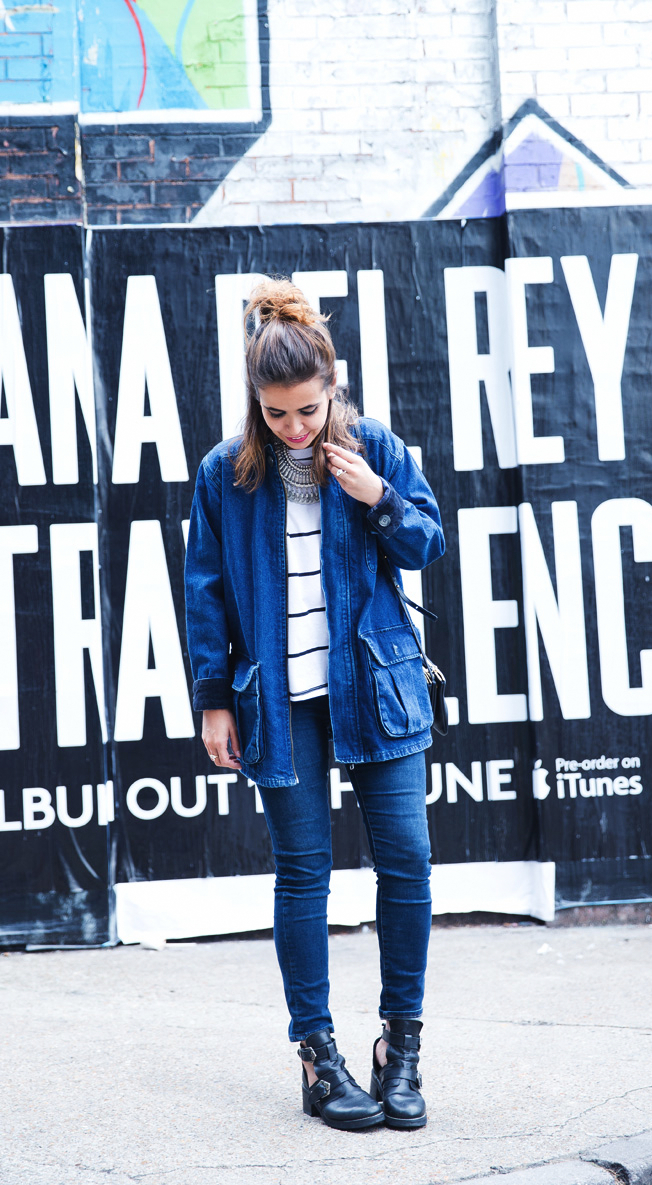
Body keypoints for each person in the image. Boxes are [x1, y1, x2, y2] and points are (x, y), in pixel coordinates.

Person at [184, 277, 445, 1132]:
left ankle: (398, 1049)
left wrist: (377, 495)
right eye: (276, 411)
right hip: (280, 701)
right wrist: (214, 698)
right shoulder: (227, 474)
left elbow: (427, 544)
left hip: (373, 685)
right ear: (256, 402)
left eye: (306, 408)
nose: (294, 427)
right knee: (305, 875)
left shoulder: (374, 448)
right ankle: (318, 1057)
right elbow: (207, 593)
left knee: (405, 860)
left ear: (332, 385)